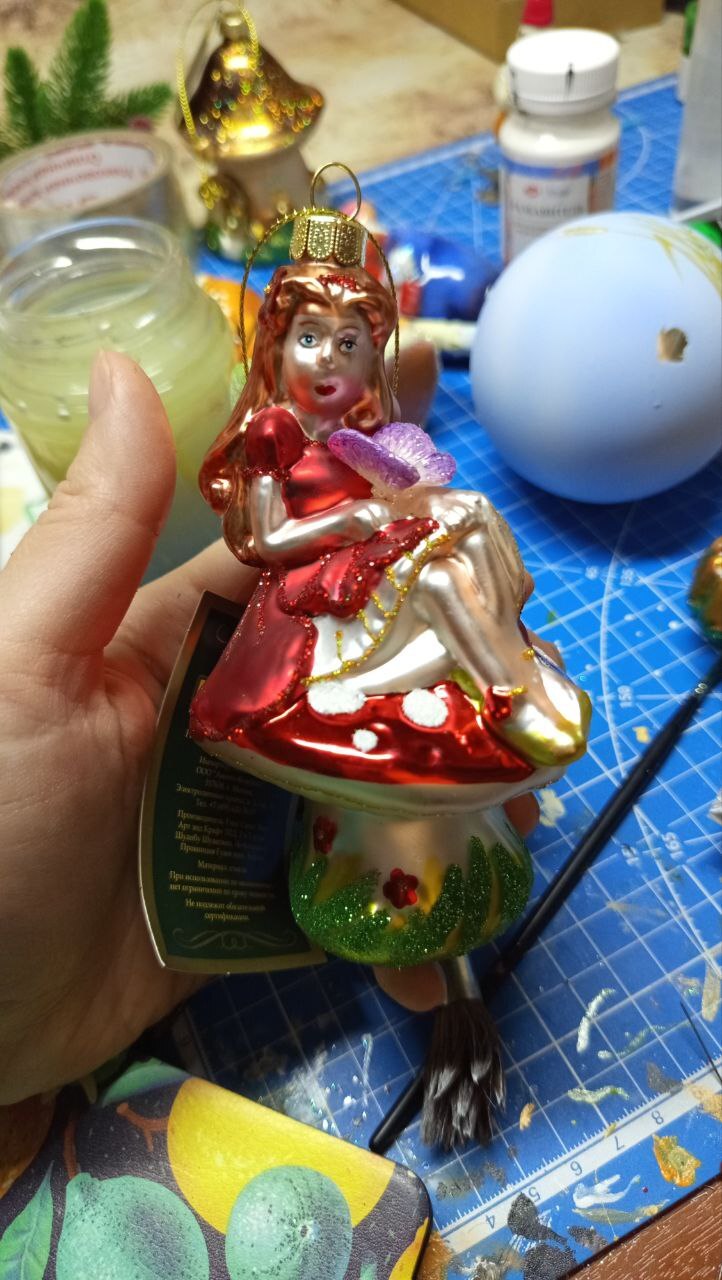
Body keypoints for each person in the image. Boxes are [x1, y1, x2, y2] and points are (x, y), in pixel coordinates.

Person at [0, 350, 544, 1107]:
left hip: (372, 580)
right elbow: (266, 543)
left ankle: (497, 691)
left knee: (460, 562)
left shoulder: (371, 442)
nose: (330, 359)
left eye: (350, 341)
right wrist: (353, 519)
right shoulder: (272, 440)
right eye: (312, 337)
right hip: (312, 605)